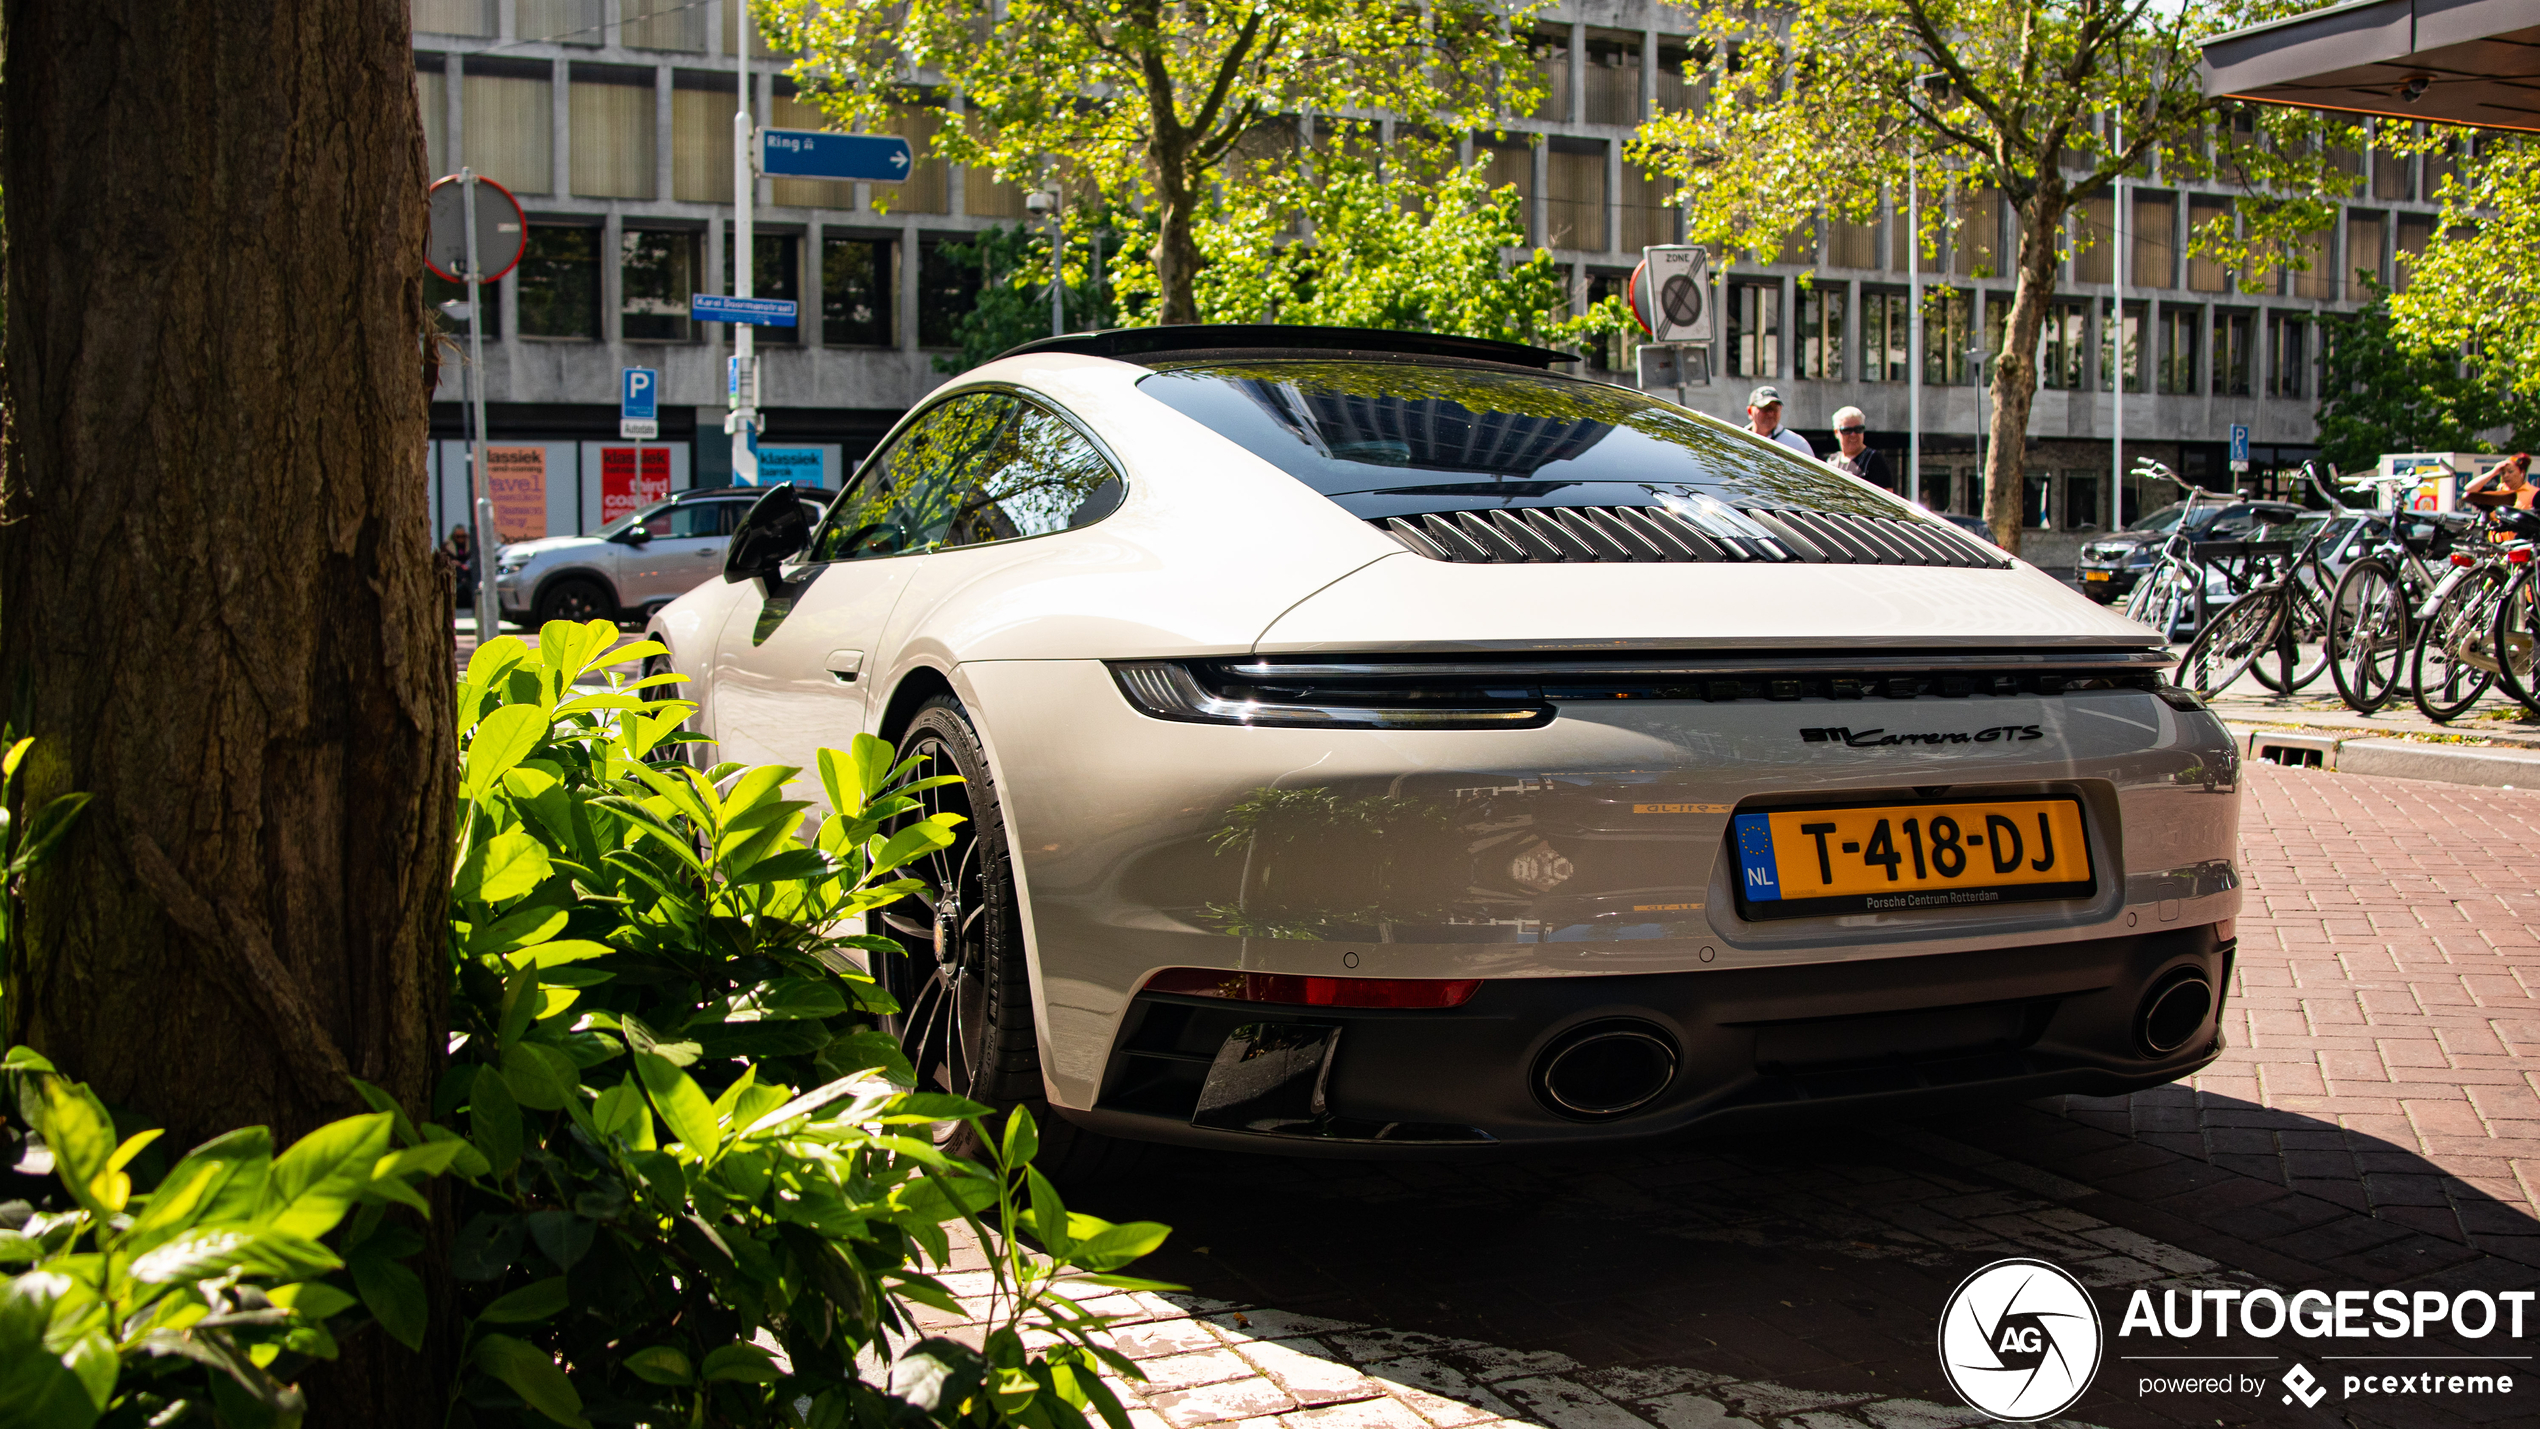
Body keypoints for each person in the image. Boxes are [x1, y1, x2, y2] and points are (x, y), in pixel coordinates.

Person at [1823, 407, 1895, 490]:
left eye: (1858, 429)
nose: (1853, 434)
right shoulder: (1832, 461)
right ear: (1836, 432)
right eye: (1847, 430)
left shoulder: (1873, 460)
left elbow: (1886, 497)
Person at [1744, 385, 1815, 460]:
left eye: (1775, 408)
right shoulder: (1739, 440)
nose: (1771, 413)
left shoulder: (1797, 445)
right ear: (1750, 411)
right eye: (1765, 408)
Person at [2465, 453, 2535, 510]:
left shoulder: (2534, 493)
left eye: (2510, 471)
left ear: (2522, 473)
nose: (2506, 475)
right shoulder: (2497, 490)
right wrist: (2493, 472)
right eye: (2503, 472)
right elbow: (2469, 489)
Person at [438, 524, 476, 607]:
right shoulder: (447, 546)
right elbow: (443, 559)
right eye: (458, 536)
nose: (461, 539)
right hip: (455, 570)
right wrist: (454, 562)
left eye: (463, 536)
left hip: (468, 569)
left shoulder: (471, 544)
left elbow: (475, 557)